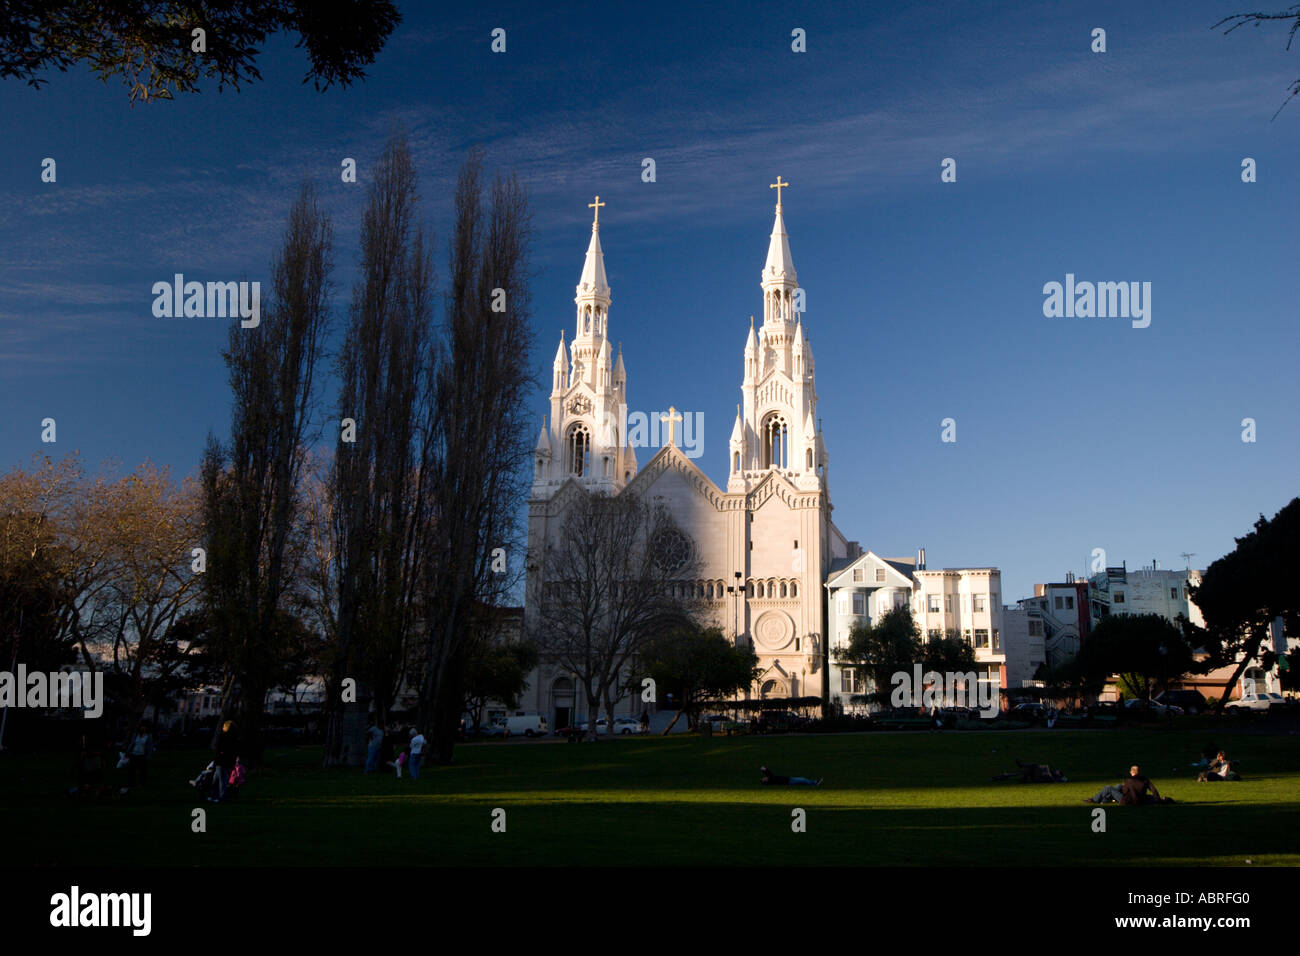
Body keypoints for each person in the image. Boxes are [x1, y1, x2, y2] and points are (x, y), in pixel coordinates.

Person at [1083, 765, 1164, 805]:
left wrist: (1124, 786)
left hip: (1128, 801)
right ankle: (1105, 800)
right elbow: (1153, 790)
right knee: (1118, 786)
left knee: (1108, 788)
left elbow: (1125, 791)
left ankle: (1095, 799)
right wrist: (1158, 799)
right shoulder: (1145, 779)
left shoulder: (1129, 780)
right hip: (1140, 800)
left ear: (1132, 772)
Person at [210, 720, 239, 803]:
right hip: (229, 761)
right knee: (217, 779)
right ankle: (214, 796)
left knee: (221, 780)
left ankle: (221, 797)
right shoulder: (234, 738)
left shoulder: (223, 737)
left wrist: (216, 758)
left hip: (221, 761)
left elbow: (218, 749)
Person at [125, 723, 153, 788]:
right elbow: (132, 743)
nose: (142, 728)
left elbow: (149, 747)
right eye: (141, 727)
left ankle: (142, 784)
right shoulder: (136, 735)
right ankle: (131, 783)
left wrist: (148, 756)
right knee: (132, 770)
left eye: (144, 727)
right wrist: (128, 752)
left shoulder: (148, 736)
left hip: (142, 755)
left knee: (142, 771)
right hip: (134, 754)